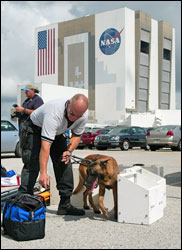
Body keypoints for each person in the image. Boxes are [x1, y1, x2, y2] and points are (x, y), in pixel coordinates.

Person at [18, 94, 88, 216]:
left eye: (78, 116)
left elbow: (77, 135)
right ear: (68, 104)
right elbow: (45, 147)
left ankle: (65, 204)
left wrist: (69, 151)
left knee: (64, 161)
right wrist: (44, 173)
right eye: (72, 114)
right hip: (34, 129)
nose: (74, 119)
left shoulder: (82, 114)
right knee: (32, 164)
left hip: (56, 132)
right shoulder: (54, 112)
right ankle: (24, 203)